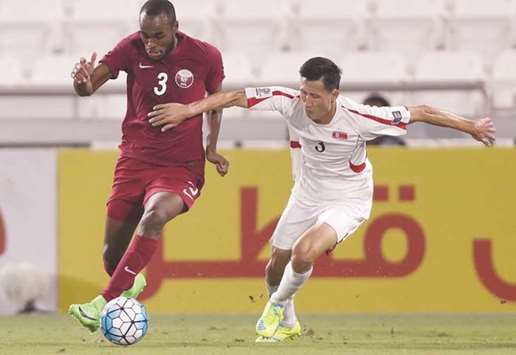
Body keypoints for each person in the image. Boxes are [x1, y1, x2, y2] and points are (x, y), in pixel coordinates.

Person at [147, 57, 496, 342]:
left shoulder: (360, 117)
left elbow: (421, 111)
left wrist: (471, 127)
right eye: (303, 93)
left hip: (348, 198)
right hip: (308, 191)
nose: (306, 102)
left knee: (304, 252)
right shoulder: (290, 102)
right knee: (275, 265)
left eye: (314, 96)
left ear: (334, 95)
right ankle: (289, 321)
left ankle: (274, 309)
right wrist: (188, 110)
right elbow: (234, 97)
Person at [68, 0, 229, 333]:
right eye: (146, 36)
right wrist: (81, 81)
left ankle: (101, 303)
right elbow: (87, 89)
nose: (151, 43)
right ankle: (130, 282)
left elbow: (217, 102)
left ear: (174, 27)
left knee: (154, 217)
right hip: (134, 161)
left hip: (180, 166)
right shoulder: (130, 47)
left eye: (158, 35)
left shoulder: (205, 55)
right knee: (112, 258)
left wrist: (211, 148)